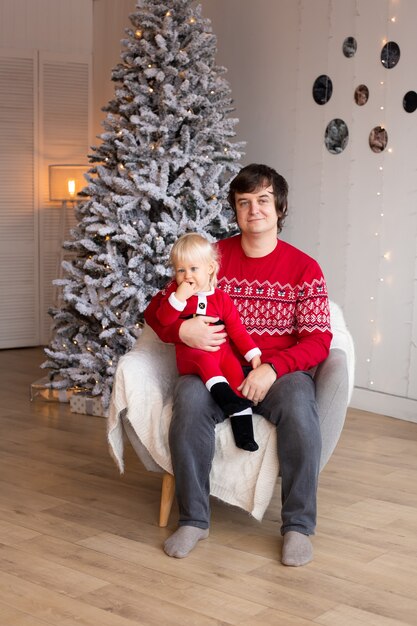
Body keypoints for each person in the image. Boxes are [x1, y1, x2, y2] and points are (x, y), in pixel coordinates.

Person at [144, 163, 333, 566]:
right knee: (189, 400)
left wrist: (273, 368)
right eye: (244, 202)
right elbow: (158, 313)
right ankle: (194, 519)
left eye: (263, 201)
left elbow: (319, 340)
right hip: (216, 368)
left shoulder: (304, 269)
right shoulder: (211, 259)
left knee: (301, 405)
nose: (254, 211)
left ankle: (298, 526)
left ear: (279, 207)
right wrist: (185, 333)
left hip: (277, 372)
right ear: (235, 209)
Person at [151, 232, 262, 451]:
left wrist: (253, 354)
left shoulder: (221, 298)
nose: (186, 276)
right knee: (205, 361)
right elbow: (162, 319)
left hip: (222, 352)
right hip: (191, 354)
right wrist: (179, 297)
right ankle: (225, 398)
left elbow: (237, 330)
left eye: (193, 269)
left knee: (235, 373)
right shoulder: (176, 293)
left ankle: (245, 435)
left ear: (209, 268)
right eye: (180, 270)